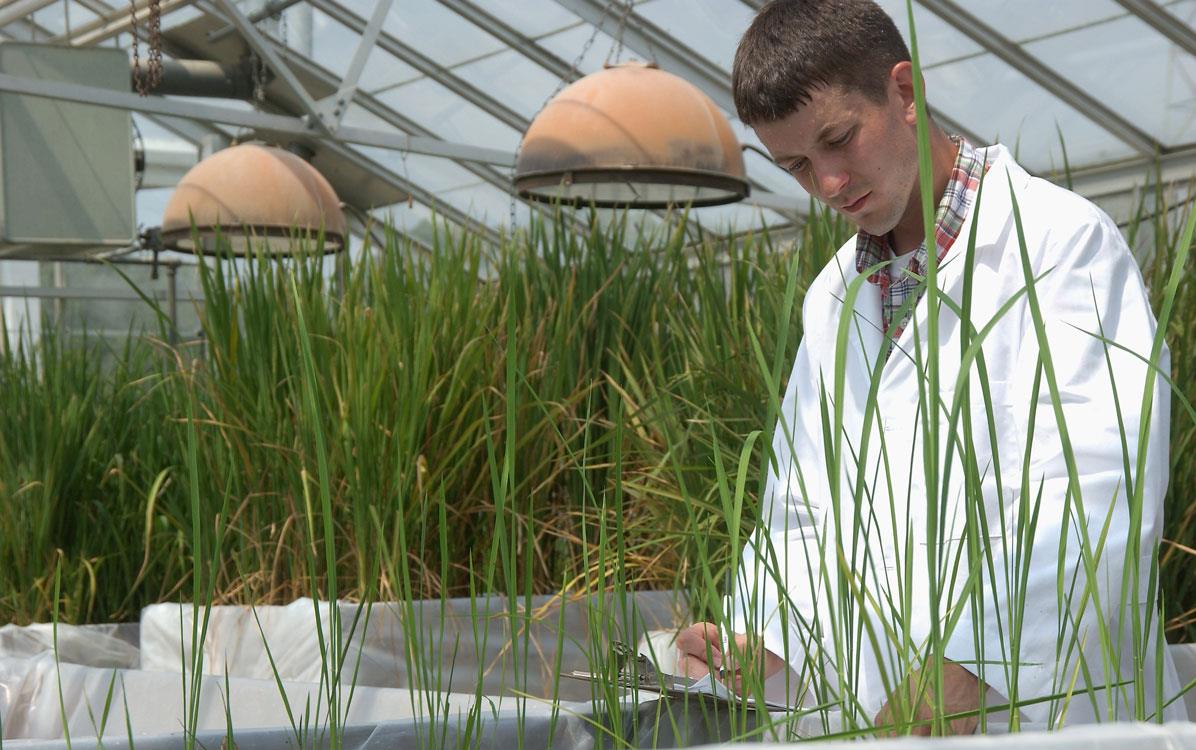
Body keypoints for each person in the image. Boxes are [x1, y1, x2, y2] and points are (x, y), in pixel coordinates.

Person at [675, 0, 1187, 734]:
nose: (825, 184)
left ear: (905, 94)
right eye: (795, 164)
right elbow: (802, 505)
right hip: (881, 710)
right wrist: (759, 639)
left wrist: (972, 665)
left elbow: (1098, 493)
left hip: (1044, 712)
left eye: (838, 140)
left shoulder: (1061, 247)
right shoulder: (833, 297)